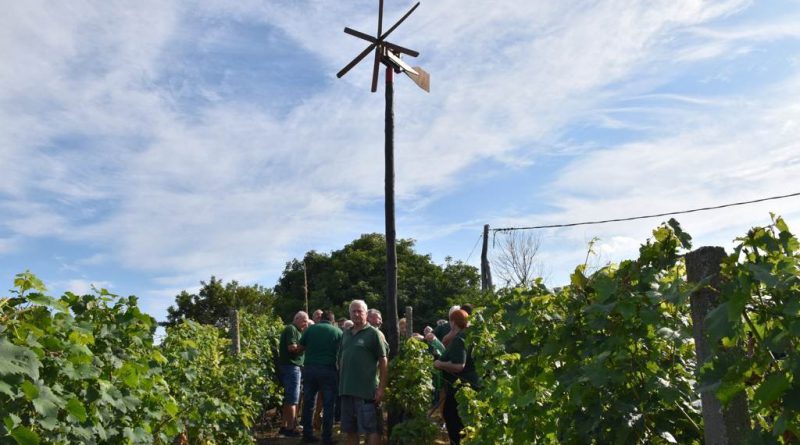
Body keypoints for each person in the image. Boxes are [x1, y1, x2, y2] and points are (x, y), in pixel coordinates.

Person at [339, 300, 388, 445]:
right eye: (353, 311)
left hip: (366, 391)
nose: (356, 314)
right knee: (350, 429)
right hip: (346, 390)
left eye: (359, 311)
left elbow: (383, 361)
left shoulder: (374, 333)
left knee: (372, 429)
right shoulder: (346, 333)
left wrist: (381, 388)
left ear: (366, 313)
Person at [434, 309, 478, 445]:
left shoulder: (460, 339)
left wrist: (440, 364)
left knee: (451, 416)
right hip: (473, 384)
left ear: (453, 322)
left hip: (461, 386)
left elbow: (459, 366)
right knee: (464, 419)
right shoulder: (471, 336)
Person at [299, 310, 343, 444]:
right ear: (332, 320)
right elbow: (342, 350)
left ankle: (307, 434)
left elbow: (300, 347)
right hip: (328, 369)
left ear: (321, 319)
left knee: (308, 402)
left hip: (310, 368)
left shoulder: (310, 330)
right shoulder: (337, 332)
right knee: (329, 404)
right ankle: (326, 437)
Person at [278, 311, 309, 437]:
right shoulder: (291, 329)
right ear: (296, 319)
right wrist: (306, 345)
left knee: (290, 398)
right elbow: (292, 348)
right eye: (304, 321)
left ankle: (284, 426)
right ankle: (291, 428)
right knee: (293, 398)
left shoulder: (297, 331)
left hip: (292, 367)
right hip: (291, 367)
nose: (306, 324)